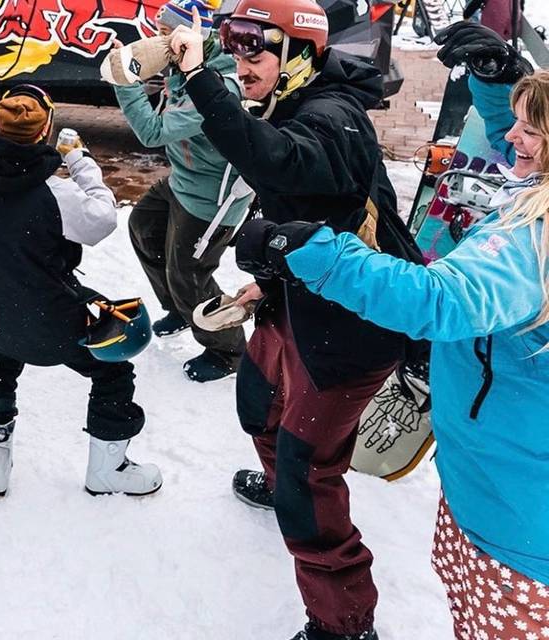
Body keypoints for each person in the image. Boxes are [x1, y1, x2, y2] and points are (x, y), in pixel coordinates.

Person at [233, 23, 549, 640]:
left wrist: (313, 249)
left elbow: (439, 300)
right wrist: (496, 84)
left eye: (528, 130)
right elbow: (519, 141)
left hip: (522, 530)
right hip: (494, 490)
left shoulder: (533, 241)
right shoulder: (532, 196)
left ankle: (342, 624)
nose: (510, 137)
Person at [168, 2, 424, 638]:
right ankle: (277, 471)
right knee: (258, 404)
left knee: (309, 481)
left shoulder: (334, 118)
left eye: (256, 46)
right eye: (232, 44)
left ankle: (344, 622)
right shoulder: (291, 100)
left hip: (347, 332)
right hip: (295, 306)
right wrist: (267, 281)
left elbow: (275, 160)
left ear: (300, 53)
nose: (240, 59)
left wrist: (202, 80)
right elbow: (316, 213)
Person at [0, 85, 162, 497]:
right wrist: (79, 161)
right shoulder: (56, 195)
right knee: (112, 370)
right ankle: (108, 469)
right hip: (54, 320)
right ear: (46, 128)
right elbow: (103, 219)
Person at [114, 0, 253, 382]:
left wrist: (124, 83)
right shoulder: (183, 66)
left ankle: (228, 352)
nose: (157, 40)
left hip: (213, 200)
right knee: (143, 227)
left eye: (164, 33)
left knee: (190, 275)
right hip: (183, 180)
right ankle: (179, 306)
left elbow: (153, 132)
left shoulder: (216, 84)